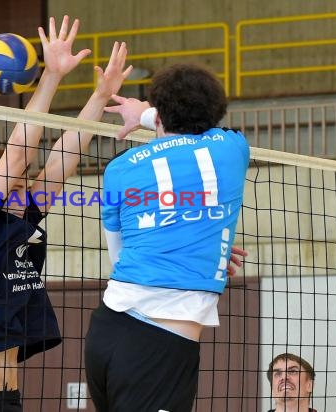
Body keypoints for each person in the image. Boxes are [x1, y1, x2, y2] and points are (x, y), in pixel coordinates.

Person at [0, 15, 132, 412]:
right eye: (19, 183)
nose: (29, 188)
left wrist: (99, 95)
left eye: (27, 182)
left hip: (8, 398)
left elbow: (63, 158)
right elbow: (20, 153)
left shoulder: (21, 222)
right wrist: (52, 75)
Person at [84, 63, 250, 412]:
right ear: (216, 111)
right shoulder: (231, 149)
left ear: (160, 115)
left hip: (108, 328)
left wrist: (201, 244)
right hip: (159, 344)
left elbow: (119, 255)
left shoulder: (119, 167)